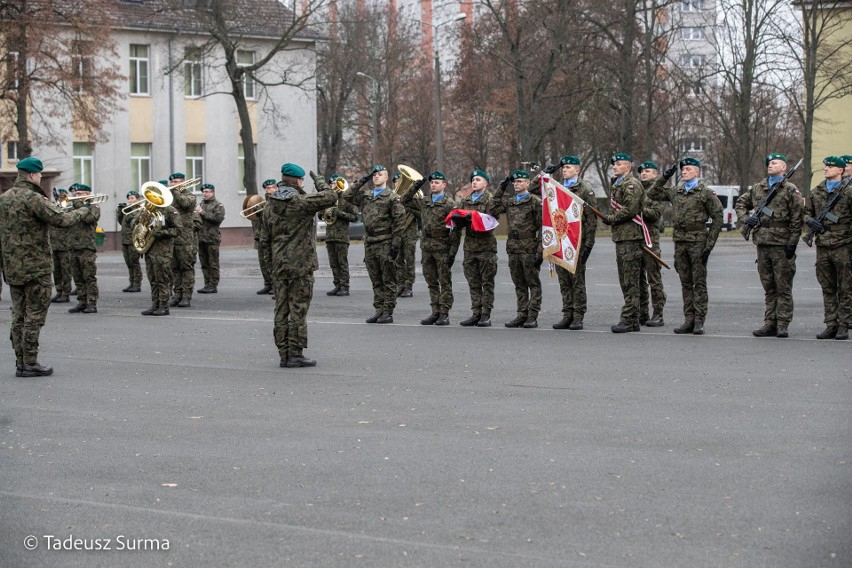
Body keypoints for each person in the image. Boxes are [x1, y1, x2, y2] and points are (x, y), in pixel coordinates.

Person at [0, 157, 88, 376]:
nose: (40, 178)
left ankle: (21, 361)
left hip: (12, 267)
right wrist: (83, 211)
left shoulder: (4, 199)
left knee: (18, 315)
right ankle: (30, 361)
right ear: (32, 175)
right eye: (39, 174)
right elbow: (61, 220)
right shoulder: (34, 199)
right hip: (36, 267)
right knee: (35, 314)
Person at [259, 163, 337, 367]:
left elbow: (264, 241)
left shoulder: (269, 205)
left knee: (281, 310)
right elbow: (330, 197)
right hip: (300, 265)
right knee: (298, 310)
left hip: (279, 266)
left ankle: (283, 354)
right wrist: (320, 181)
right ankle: (295, 353)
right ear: (298, 181)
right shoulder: (301, 202)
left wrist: (269, 268)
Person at [649, 158, 722, 335]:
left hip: (698, 241)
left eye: (688, 169)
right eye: (683, 169)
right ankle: (688, 319)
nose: (684, 171)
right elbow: (652, 193)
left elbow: (718, 217)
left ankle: (699, 321)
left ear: (697, 172)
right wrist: (665, 176)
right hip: (680, 242)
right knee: (685, 283)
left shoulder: (705, 193)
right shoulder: (676, 191)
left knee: (699, 283)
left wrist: (709, 246)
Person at [735, 153, 804, 338]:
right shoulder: (759, 187)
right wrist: (745, 219)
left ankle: (782, 324)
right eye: (769, 163)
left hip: (781, 244)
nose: (770, 165)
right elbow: (741, 203)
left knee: (783, 287)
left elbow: (797, 219)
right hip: (762, 243)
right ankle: (769, 322)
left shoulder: (790, 190)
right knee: (768, 287)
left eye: (774, 163)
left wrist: (792, 243)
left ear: (784, 168)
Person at [343, 165, 405, 324]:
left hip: (385, 242)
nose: (376, 177)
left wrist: (395, 246)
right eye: (374, 175)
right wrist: (362, 180)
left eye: (380, 174)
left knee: (388, 280)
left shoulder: (392, 197)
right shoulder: (366, 196)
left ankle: (388, 311)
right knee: (375, 279)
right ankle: (379, 310)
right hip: (370, 242)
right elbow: (347, 196)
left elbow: (399, 223)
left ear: (386, 178)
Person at [449, 169, 504, 327]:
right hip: (470, 247)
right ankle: (476, 312)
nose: (474, 182)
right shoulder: (465, 201)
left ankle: (485, 315)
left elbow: (492, 219)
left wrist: (472, 216)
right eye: (473, 180)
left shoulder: (490, 200)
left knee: (487, 282)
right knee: (473, 282)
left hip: (486, 247)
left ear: (485, 183)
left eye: (478, 179)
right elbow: (457, 220)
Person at [804, 156, 851, 340]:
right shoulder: (817, 192)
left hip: (843, 245)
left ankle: (843, 325)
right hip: (823, 245)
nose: (826, 169)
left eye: (830, 167)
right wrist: (811, 222)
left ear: (840, 170)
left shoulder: (848, 192)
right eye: (825, 166)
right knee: (827, 286)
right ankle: (830, 324)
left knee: (845, 287)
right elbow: (806, 212)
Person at [401, 171, 455, 325]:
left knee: (444, 281)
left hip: (442, 247)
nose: (433, 184)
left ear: (444, 185)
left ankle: (444, 313)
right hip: (427, 247)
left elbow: (455, 229)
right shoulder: (424, 201)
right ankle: (435, 311)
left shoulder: (449, 204)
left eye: (437, 182)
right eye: (431, 182)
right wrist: (415, 186)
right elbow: (404, 200)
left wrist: (452, 252)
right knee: (431, 281)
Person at [551, 156, 598, 330]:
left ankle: (578, 316)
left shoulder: (585, 189)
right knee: (564, 281)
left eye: (568, 167)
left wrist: (589, 245)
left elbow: (591, 219)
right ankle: (567, 314)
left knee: (577, 281)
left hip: (577, 242)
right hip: (560, 240)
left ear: (577, 170)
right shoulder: (556, 187)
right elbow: (535, 190)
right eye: (563, 167)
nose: (564, 170)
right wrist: (549, 172)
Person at [602, 153, 646, 333]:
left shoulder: (631, 184)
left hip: (631, 238)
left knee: (630, 281)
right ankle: (633, 319)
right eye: (614, 164)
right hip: (622, 237)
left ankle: (628, 318)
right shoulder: (618, 184)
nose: (615, 166)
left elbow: (630, 209)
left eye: (618, 164)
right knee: (626, 280)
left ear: (627, 167)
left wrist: (611, 219)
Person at [495, 170, 543, 328]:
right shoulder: (510, 201)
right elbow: (493, 207)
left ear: (528, 183)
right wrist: (501, 188)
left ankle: (532, 315)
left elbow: (543, 227)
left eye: (520, 181)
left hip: (529, 247)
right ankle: (521, 313)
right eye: (514, 182)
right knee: (519, 284)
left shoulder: (534, 201)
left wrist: (540, 251)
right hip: (513, 248)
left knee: (533, 283)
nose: (516, 184)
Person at [636, 161, 667, 327]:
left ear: (656, 174)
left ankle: (658, 312)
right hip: (634, 238)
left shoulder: (658, 192)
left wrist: (638, 207)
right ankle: (642, 311)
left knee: (653, 277)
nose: (644, 174)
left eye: (648, 171)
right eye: (642, 171)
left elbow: (655, 214)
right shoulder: (636, 189)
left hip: (650, 240)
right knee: (638, 278)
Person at [141, 198, 182, 316]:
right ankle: (155, 305)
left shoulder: (170, 210)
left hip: (163, 251)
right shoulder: (148, 210)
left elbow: (178, 230)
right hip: (150, 249)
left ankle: (164, 306)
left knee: (162, 279)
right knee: (153, 279)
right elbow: (142, 227)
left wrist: (162, 233)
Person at [66, 183, 101, 314]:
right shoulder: (73, 207)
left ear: (88, 194)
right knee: (77, 277)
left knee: (89, 276)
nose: (75, 196)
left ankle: (92, 303)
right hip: (73, 246)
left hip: (86, 247)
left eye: (79, 194)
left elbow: (89, 219)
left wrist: (78, 206)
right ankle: (82, 301)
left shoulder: (94, 207)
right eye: (75, 194)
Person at [324, 173, 359, 297]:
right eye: (331, 183)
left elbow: (355, 217)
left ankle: (345, 286)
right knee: (333, 263)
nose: (333, 185)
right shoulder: (329, 200)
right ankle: (337, 285)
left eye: (335, 183)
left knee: (342, 263)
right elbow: (320, 215)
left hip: (342, 236)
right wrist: (324, 211)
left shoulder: (346, 199)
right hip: (330, 236)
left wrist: (340, 213)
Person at [168, 172, 197, 308]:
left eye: (177, 182)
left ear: (184, 182)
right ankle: (177, 294)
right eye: (173, 182)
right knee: (174, 268)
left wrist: (176, 191)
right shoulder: (168, 197)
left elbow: (184, 204)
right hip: (172, 237)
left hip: (185, 239)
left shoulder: (189, 196)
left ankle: (186, 295)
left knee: (186, 268)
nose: (174, 184)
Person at [195, 183, 225, 294]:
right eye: (203, 191)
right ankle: (207, 283)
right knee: (204, 263)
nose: (204, 194)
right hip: (201, 237)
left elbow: (217, 218)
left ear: (212, 193)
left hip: (212, 238)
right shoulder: (201, 204)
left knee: (213, 263)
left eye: (207, 192)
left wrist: (201, 212)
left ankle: (213, 284)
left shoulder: (218, 205)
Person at [394, 172, 420, 298]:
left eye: (400, 181)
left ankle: (409, 286)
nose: (398, 183)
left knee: (409, 260)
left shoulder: (413, 198)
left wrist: (410, 210)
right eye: (396, 182)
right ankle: (401, 284)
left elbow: (422, 214)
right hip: (398, 232)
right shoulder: (392, 197)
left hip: (409, 233)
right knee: (398, 260)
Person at [49, 188, 74, 303]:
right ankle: (59, 291)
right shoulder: (54, 206)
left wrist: (61, 205)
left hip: (65, 245)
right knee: (56, 271)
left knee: (65, 271)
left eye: (62, 196)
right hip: (54, 244)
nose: (60, 198)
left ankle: (66, 292)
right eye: (59, 196)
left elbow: (66, 219)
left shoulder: (69, 208)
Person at [254, 179, 278, 295]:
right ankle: (267, 284)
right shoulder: (264, 202)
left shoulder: (277, 201)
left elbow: (272, 216)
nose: (267, 190)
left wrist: (262, 212)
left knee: (272, 262)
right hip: (261, 236)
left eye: (270, 188)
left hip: (273, 237)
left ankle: (275, 285)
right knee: (263, 262)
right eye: (266, 188)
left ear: (276, 188)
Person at [117, 190, 143, 293]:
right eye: (129, 198)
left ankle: (137, 283)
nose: (130, 200)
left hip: (134, 240)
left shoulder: (139, 209)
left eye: (132, 198)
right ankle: (131, 282)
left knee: (134, 262)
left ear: (137, 199)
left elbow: (136, 221)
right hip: (125, 240)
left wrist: (130, 209)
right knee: (129, 263)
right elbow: (120, 221)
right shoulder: (127, 210)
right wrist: (120, 210)